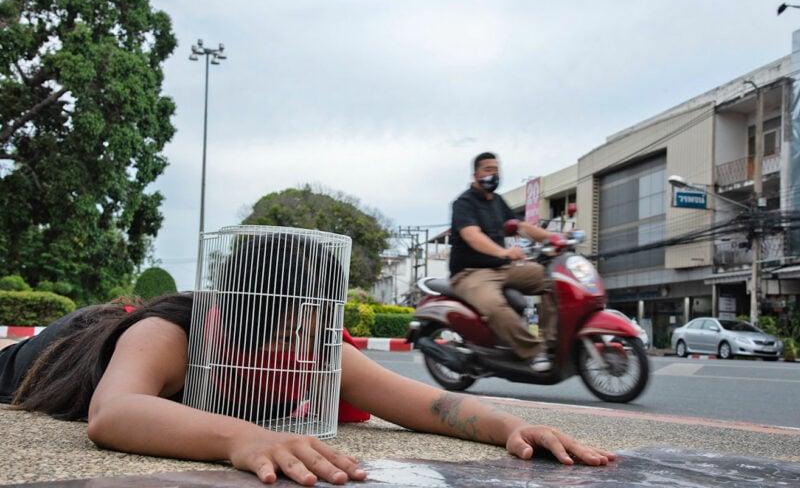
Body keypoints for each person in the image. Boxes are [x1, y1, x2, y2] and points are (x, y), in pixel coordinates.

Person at [0, 232, 614, 487]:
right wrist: (241, 439)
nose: (307, 353)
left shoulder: (314, 349)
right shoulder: (170, 334)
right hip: (59, 349)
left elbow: (427, 403)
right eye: (291, 334)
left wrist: (511, 427)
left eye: (316, 330)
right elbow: (113, 414)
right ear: (238, 325)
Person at [449, 152, 560, 372]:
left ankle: (550, 344)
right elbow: (472, 235)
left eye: (496, 170)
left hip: (502, 268)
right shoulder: (463, 203)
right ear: (476, 174)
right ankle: (533, 353)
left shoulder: (498, 202)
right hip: (470, 273)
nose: (494, 174)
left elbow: (520, 226)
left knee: (553, 280)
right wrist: (504, 252)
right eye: (488, 170)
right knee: (494, 306)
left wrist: (557, 239)